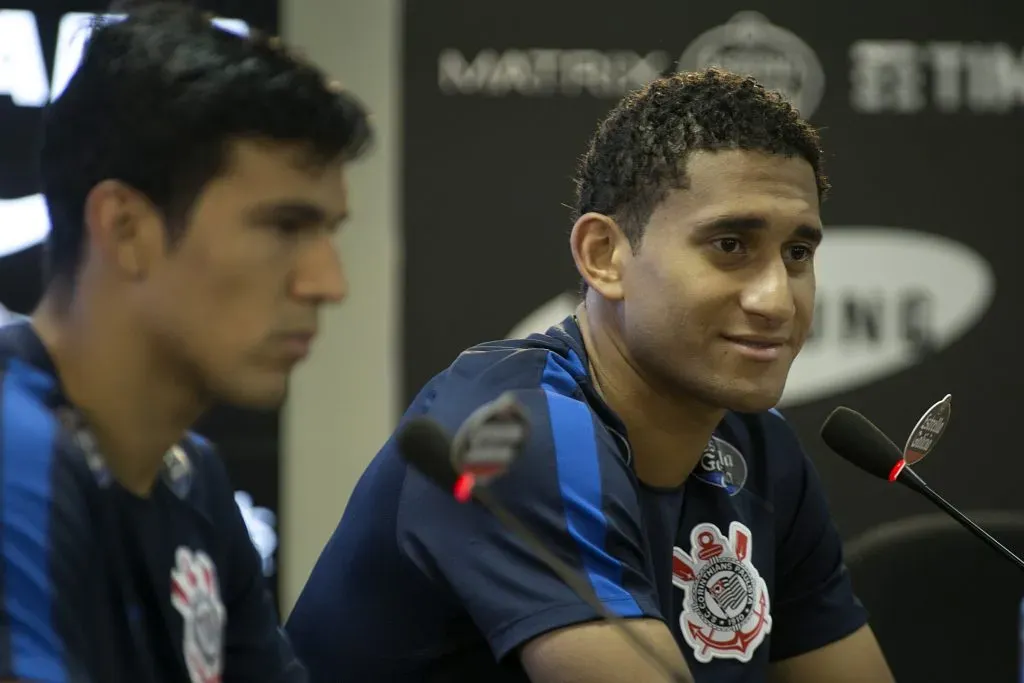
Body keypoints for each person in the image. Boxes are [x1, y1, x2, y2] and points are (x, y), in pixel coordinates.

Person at [286, 67, 896, 683]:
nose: (777, 301)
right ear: (604, 256)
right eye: (730, 246)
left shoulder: (761, 447)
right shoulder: (517, 433)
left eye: (798, 253)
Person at [0, 4, 371, 682]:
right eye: (284, 227)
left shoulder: (190, 475)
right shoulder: (11, 455)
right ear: (126, 228)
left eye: (328, 233)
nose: (329, 283)